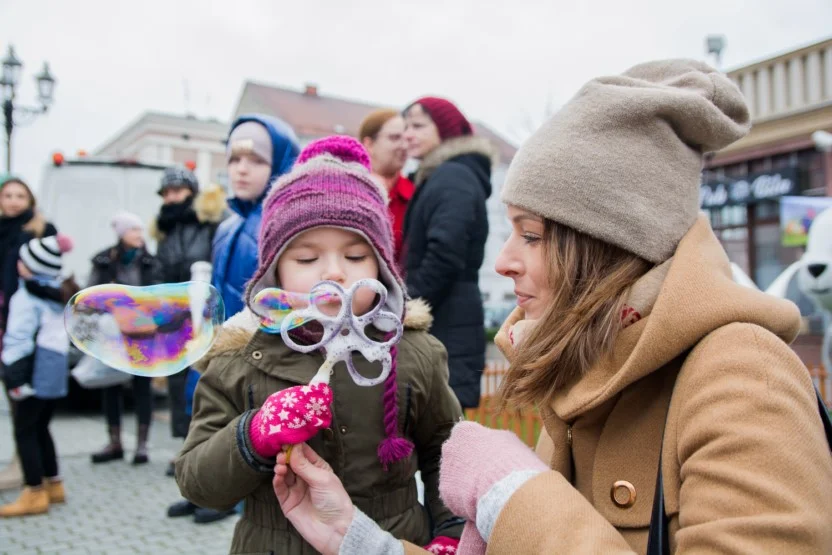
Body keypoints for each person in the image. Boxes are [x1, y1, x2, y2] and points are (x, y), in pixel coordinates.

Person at [269, 60, 832, 554]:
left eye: (532, 235)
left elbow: (530, 519)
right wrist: (359, 541)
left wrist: (511, 495)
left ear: (609, 244)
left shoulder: (742, 375)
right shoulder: (584, 365)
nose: (504, 262)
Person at [175, 137, 464, 554]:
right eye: (307, 259)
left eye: (355, 256)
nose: (334, 273)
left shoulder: (413, 353)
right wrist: (254, 434)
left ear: (382, 268)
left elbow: (444, 449)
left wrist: (450, 535)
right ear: (273, 274)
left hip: (394, 540)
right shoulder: (239, 361)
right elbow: (197, 483)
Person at [402, 97, 496, 409]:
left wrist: (409, 306)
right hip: (445, 316)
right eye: (405, 127)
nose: (408, 134)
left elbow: (445, 252)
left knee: (441, 431)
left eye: (418, 126)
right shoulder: (440, 175)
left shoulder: (452, 176)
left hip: (446, 322)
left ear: (445, 130)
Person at [151, 167, 226, 473]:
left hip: (203, 311)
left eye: (177, 190)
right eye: (167, 192)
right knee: (177, 382)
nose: (171, 197)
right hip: (173, 312)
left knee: (203, 383)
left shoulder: (208, 222)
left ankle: (204, 446)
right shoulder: (165, 229)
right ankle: (184, 446)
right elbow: (159, 269)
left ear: (191, 192)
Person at [0, 234, 79, 517]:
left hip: (31, 369)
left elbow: (19, 339)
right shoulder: (57, 292)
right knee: (41, 426)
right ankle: (54, 484)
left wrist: (14, 377)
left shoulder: (26, 296)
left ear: (28, 266)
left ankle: (34, 491)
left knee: (24, 430)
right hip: (53, 370)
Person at [88, 211, 163, 466]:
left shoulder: (150, 262)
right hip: (113, 333)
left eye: (141, 231)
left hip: (142, 333)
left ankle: (142, 445)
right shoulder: (103, 260)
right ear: (122, 234)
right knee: (110, 386)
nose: (139, 236)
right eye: (133, 231)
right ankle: (115, 442)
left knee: (143, 387)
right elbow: (92, 295)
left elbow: (159, 296)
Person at [0, 177, 58, 492]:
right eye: (7, 195)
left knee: (29, 415)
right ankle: (45, 478)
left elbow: (55, 284)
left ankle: (31, 478)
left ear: (30, 199)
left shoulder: (40, 231)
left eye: (20, 195)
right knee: (22, 411)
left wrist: (32, 281)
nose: (13, 200)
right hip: (9, 328)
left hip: (31, 337)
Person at [212, 114, 300, 318]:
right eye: (234, 159)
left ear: (281, 163)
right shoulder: (226, 228)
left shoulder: (287, 227)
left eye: (257, 161)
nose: (241, 170)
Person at [359, 109, 414, 263]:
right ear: (369, 144)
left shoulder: (414, 195)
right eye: (394, 138)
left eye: (406, 139)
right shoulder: (345, 189)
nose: (404, 146)